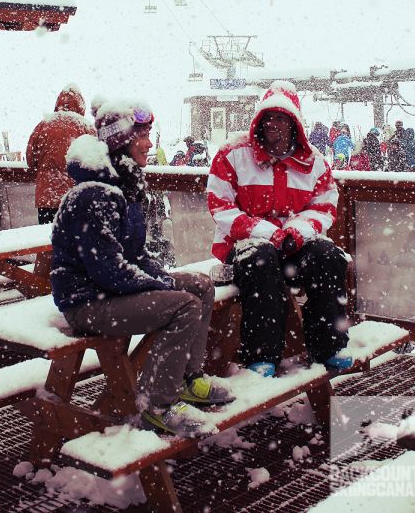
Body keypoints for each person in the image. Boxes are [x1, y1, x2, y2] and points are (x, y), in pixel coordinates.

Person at [51, 99, 234, 438]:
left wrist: (162, 278)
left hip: (109, 291)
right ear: (120, 141)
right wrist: (163, 287)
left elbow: (135, 254)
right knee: (184, 304)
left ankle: (187, 379)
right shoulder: (94, 194)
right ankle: (157, 404)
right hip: (85, 302)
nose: (150, 144)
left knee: (199, 286)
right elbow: (109, 270)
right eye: (142, 136)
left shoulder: (126, 186)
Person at [207, 81, 352, 377]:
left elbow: (324, 206)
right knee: (261, 260)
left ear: (294, 124)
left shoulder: (314, 162)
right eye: (268, 117)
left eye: (281, 118)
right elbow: (221, 207)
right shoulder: (232, 154)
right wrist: (266, 232)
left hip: (291, 247)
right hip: (245, 245)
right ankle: (261, 356)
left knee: (328, 256)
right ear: (258, 120)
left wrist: (297, 231)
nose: (273, 124)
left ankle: (329, 346)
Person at [26, 85, 95, 224]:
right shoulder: (87, 127)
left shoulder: (44, 124)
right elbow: (96, 164)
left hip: (47, 198)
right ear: (81, 105)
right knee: (75, 243)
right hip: (76, 199)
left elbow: (30, 159)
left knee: (46, 240)